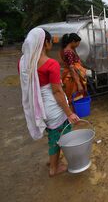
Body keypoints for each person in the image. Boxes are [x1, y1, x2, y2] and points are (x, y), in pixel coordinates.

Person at [19, 28, 80, 177]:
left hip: (38, 107)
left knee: (53, 134)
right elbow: (57, 92)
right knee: (58, 137)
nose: (51, 43)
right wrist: (69, 113)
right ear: (45, 43)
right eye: (50, 40)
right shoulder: (50, 64)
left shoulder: (23, 62)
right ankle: (54, 167)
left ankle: (52, 160)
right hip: (52, 108)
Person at [60, 33, 87, 104]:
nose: (78, 45)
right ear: (73, 41)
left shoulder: (65, 50)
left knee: (74, 96)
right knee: (74, 96)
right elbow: (71, 68)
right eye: (77, 43)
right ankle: (74, 112)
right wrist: (78, 83)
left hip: (72, 75)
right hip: (72, 78)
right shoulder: (69, 52)